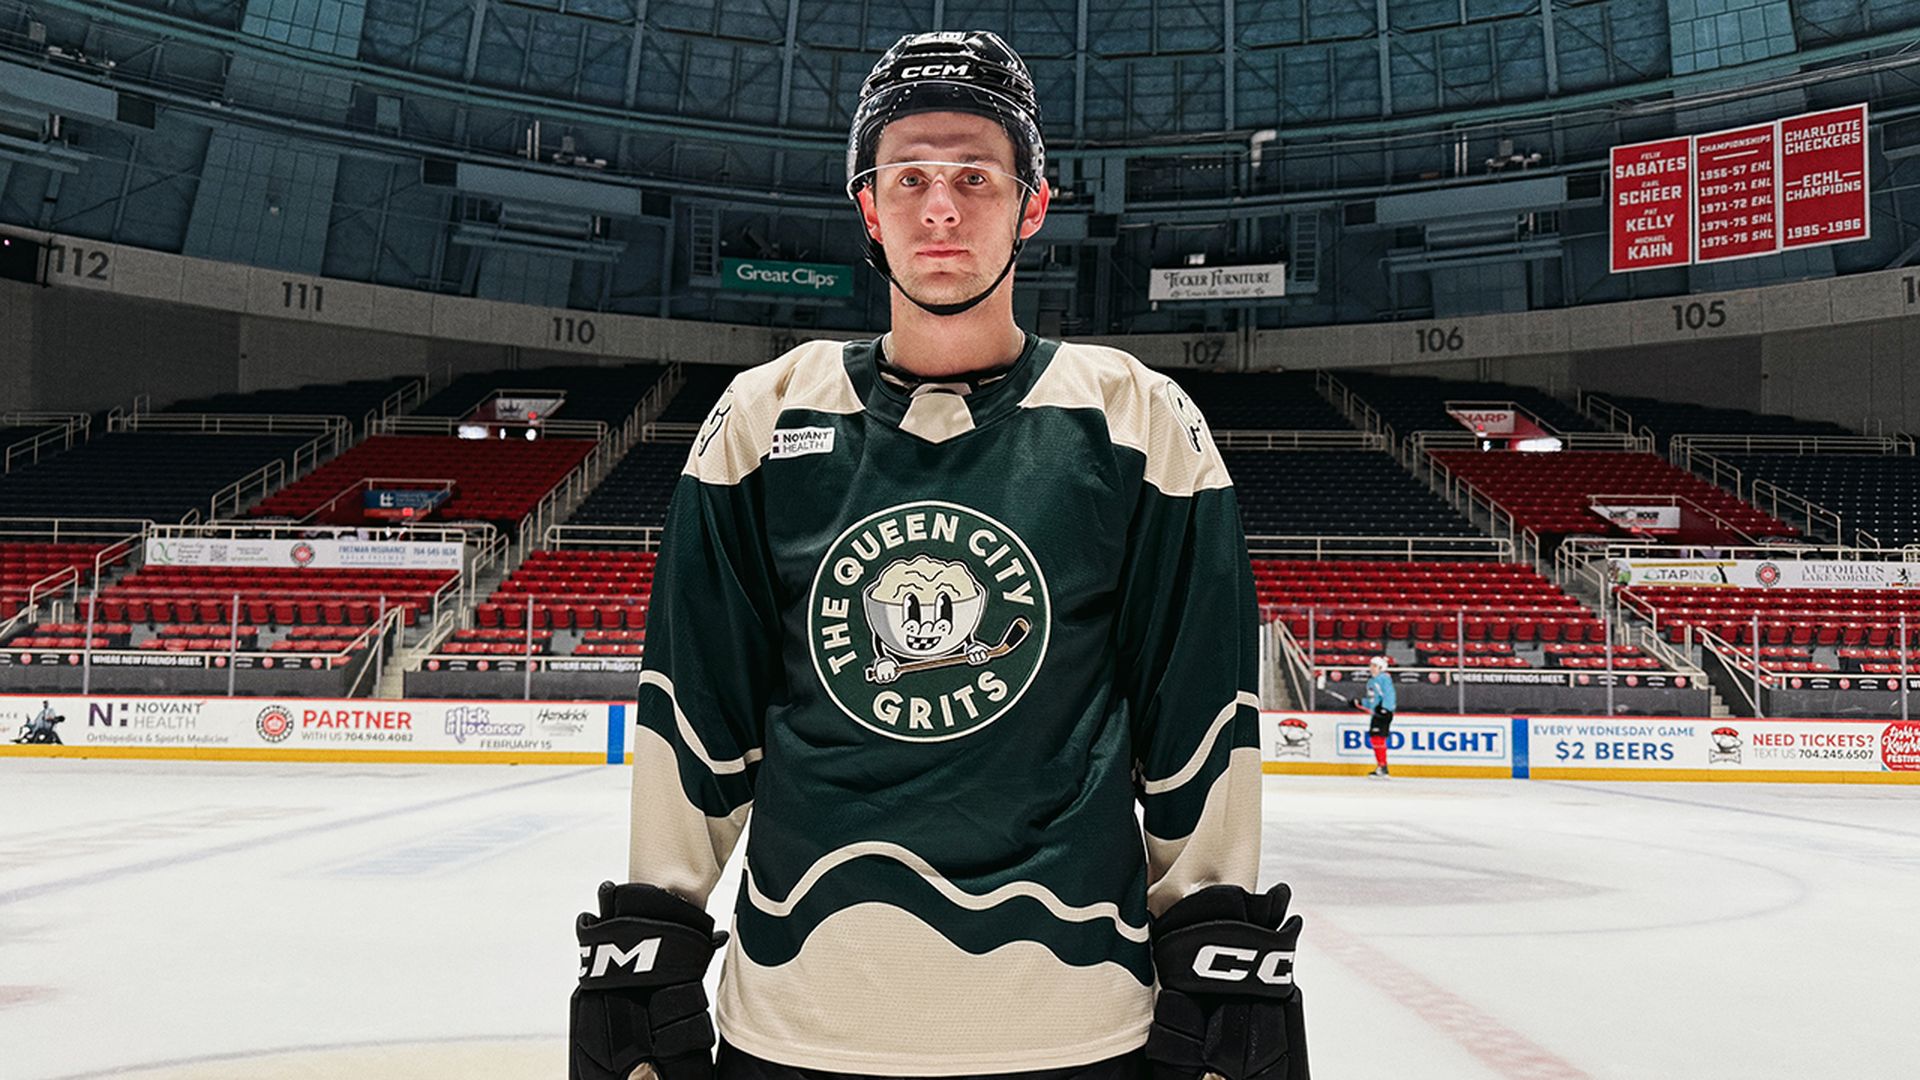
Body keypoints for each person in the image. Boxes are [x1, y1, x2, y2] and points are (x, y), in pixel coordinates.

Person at [568, 30, 1306, 1080]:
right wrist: (651, 943)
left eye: (975, 176)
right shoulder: (762, 416)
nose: (941, 208)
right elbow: (696, 712)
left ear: (1033, 205)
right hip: (797, 1023)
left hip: (1077, 1025)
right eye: (908, 177)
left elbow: (1198, 723)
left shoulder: (1138, 419)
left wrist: (1220, 958)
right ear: (868, 208)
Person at [1356, 655, 1395, 778]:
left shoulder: (1384, 678)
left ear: (1381, 667)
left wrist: (1385, 709)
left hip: (1383, 713)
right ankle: (1381, 766)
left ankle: (1382, 767)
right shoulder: (1371, 681)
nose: (1371, 668)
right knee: (1375, 738)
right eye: (1371, 665)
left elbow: (1389, 695)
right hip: (1377, 713)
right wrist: (1360, 702)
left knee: (1378, 738)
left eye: (1374, 666)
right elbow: (1372, 700)